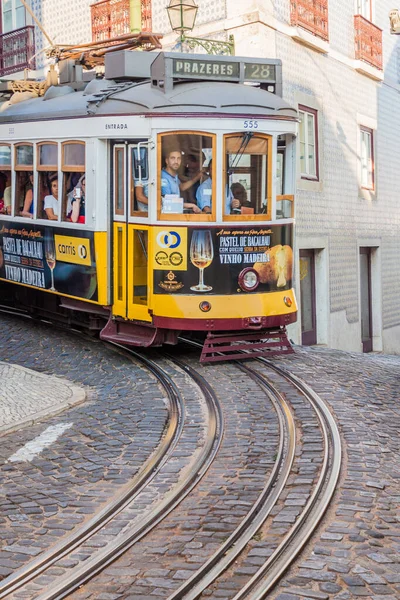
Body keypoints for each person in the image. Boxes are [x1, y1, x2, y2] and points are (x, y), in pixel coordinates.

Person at [161, 149, 203, 214]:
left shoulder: (174, 175)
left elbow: (181, 187)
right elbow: (168, 201)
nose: (176, 161)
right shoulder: (163, 177)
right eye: (173, 158)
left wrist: (197, 177)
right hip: (167, 216)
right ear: (167, 161)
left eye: (179, 159)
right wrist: (191, 205)